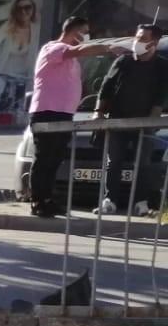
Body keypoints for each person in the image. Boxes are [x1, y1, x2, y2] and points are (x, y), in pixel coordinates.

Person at [28, 13, 128, 218]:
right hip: (47, 112)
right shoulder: (54, 48)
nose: (86, 36)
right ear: (72, 32)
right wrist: (108, 47)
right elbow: (79, 50)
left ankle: (48, 199)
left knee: (55, 159)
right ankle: (37, 201)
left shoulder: (71, 59)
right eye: (83, 32)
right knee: (44, 159)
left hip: (64, 114)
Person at [93, 23, 168, 214]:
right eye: (137, 37)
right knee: (114, 161)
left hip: (145, 123)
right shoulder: (123, 62)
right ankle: (109, 200)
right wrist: (98, 112)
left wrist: (152, 121)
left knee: (143, 163)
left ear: (154, 42)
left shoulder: (162, 66)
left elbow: (162, 94)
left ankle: (141, 203)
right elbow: (106, 87)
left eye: (143, 39)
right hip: (118, 120)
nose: (137, 42)